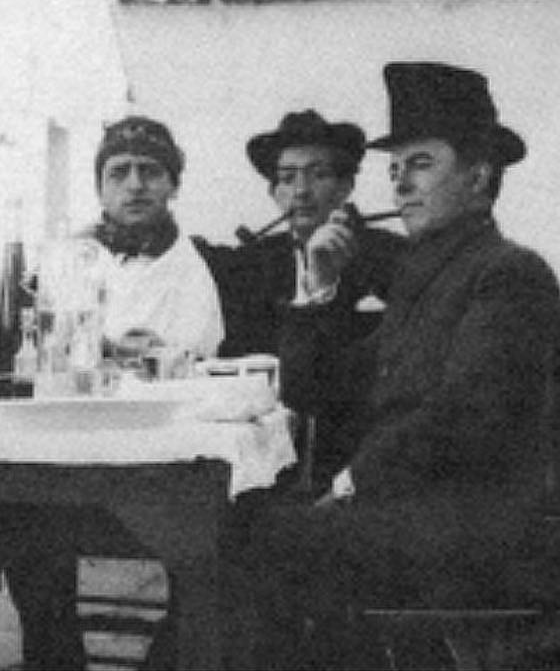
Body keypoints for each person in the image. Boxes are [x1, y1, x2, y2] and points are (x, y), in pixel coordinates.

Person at [232, 61, 560, 669]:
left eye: (422, 164)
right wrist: (319, 291)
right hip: (413, 516)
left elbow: (465, 418)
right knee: (242, 522)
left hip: (473, 533)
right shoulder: (425, 273)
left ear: (479, 176)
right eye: (394, 169)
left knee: (256, 539)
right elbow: (318, 391)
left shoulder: (509, 274)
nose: (401, 184)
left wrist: (350, 483)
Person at [203, 109, 405, 359]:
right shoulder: (251, 264)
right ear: (274, 193)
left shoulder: (390, 256)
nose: (301, 191)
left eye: (318, 175)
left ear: (345, 187)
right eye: (287, 178)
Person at [79, 115, 224, 360]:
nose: (135, 185)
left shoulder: (193, 270)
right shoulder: (71, 261)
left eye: (149, 171)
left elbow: (195, 354)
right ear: (100, 190)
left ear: (173, 186)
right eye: (119, 172)